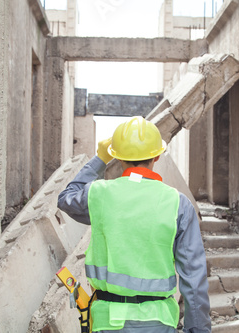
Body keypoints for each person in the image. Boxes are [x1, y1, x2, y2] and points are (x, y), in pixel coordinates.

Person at [57, 116, 211, 333]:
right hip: (159, 322)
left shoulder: (99, 195)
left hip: (107, 322)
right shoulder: (178, 204)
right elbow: (193, 278)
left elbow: (66, 198)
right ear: (157, 155)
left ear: (117, 157)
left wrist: (99, 159)